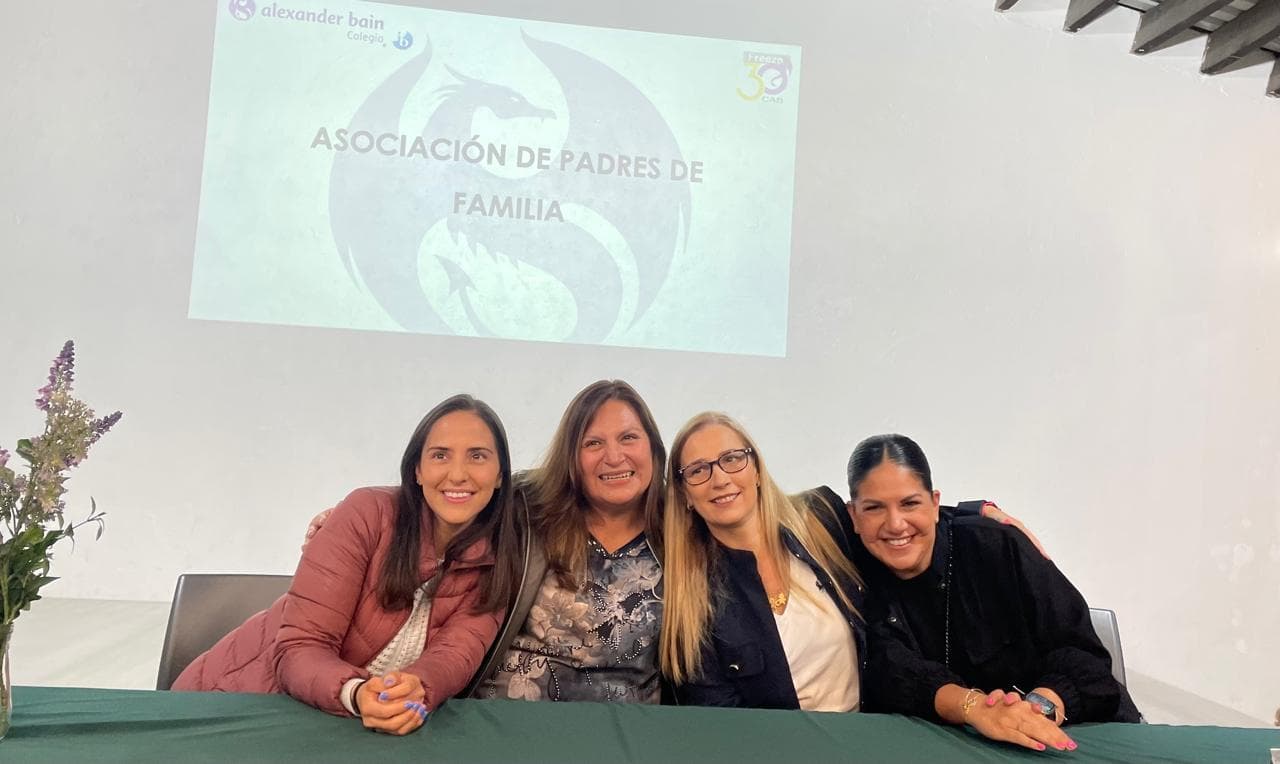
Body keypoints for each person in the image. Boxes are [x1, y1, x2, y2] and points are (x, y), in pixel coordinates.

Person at [173, 394, 521, 736]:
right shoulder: (366, 513)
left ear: (501, 474)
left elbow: (454, 656)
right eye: (440, 455)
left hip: (343, 728)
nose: (458, 474)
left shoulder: (501, 557)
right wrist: (355, 693)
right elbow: (300, 647)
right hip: (233, 707)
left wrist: (416, 690)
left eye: (477, 456)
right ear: (417, 469)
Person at [847, 434, 1140, 753]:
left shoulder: (997, 546)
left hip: (1071, 734)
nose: (895, 524)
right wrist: (977, 709)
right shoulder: (849, 569)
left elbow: (1086, 659)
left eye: (910, 503)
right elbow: (893, 672)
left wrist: (1033, 711)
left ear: (934, 504)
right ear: (854, 516)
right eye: (874, 508)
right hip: (946, 745)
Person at [469, 380, 667, 702]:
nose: (614, 456)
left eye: (628, 437)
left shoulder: (681, 534)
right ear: (571, 458)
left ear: (654, 448)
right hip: (509, 722)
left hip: (624, 735)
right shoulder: (525, 513)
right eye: (593, 444)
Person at [661, 412, 866, 711]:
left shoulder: (824, 517)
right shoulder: (691, 604)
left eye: (731, 459)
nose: (720, 479)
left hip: (871, 739)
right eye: (698, 470)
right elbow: (722, 724)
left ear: (756, 469)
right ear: (685, 495)